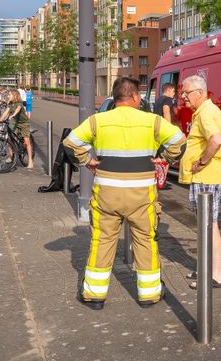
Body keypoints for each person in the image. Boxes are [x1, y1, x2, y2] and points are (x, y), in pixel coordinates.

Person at [63, 77, 186, 310]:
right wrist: (165, 159)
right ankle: (149, 295)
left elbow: (70, 143)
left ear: (115, 97)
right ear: (135, 97)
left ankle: (94, 296)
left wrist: (88, 160)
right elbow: (180, 142)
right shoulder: (153, 121)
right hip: (142, 195)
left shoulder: (97, 121)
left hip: (107, 194)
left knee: (103, 240)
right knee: (145, 240)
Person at [179, 75, 221, 289]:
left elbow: (215, 140)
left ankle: (214, 275)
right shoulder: (205, 111)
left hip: (206, 176)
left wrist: (201, 162)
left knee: (209, 225)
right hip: (206, 176)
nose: (183, 97)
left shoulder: (206, 113)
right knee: (205, 225)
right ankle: (205, 269)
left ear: (199, 92)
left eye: (186, 93)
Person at [0, 90, 34, 169]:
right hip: (15, 122)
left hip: (24, 123)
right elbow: (6, 112)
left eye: (9, 95)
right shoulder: (10, 104)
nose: (8, 96)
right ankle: (11, 156)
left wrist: (13, 115)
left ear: (14, 95)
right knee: (10, 139)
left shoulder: (19, 103)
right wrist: (0, 120)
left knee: (27, 141)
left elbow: (18, 109)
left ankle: (30, 161)